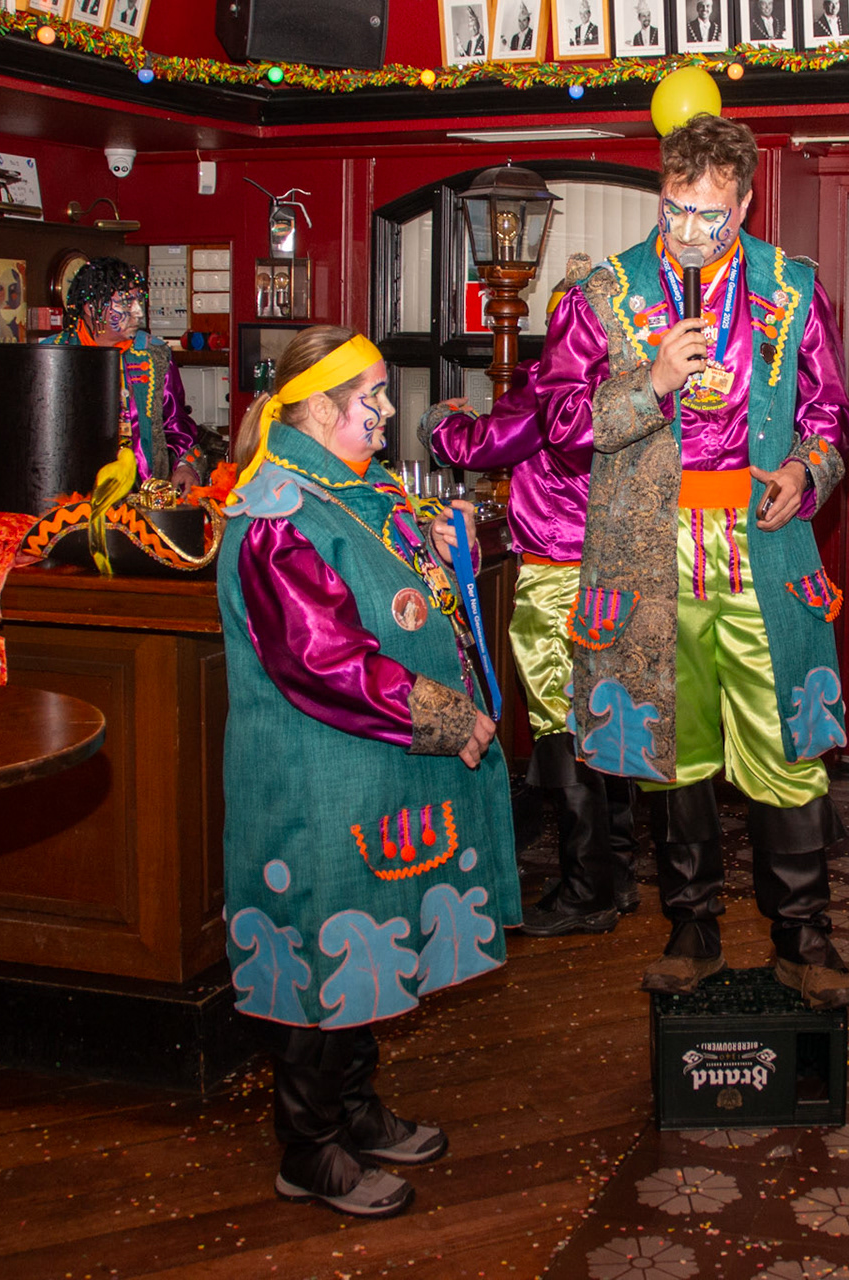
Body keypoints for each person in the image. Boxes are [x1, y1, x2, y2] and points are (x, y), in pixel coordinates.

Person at [539, 114, 849, 1010]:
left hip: (764, 553)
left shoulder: (792, 288)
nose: (689, 231)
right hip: (650, 561)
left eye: (710, 215)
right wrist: (652, 383)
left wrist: (806, 469)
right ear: (661, 196)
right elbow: (559, 425)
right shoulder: (604, 294)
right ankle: (691, 927)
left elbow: (830, 417)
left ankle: (803, 934)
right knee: (671, 749)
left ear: (745, 203)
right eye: (675, 209)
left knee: (786, 745)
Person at [218, 325, 519, 1218]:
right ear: (316, 409)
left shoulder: (358, 485)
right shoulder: (276, 517)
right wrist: (447, 717)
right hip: (312, 776)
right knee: (321, 943)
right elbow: (324, 661)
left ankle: (352, 1107)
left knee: (367, 942)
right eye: (371, 398)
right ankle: (308, 1147)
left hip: (372, 768)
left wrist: (444, 545)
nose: (389, 412)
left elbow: (398, 581)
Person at [427, 259, 639, 937]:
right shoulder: (637, 386)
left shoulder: (554, 387)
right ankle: (618, 872)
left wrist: (439, 421)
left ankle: (586, 889)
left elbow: (483, 444)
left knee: (559, 725)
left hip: (557, 575)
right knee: (612, 721)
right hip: (622, 575)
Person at [41, 257, 207, 487]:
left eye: (139, 301)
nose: (138, 312)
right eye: (127, 303)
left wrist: (186, 466)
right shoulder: (50, 355)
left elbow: (175, 422)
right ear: (92, 307)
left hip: (143, 492)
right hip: (68, 492)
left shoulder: (154, 354)